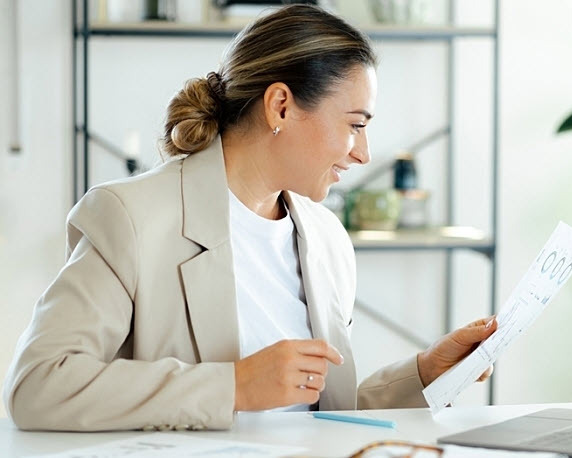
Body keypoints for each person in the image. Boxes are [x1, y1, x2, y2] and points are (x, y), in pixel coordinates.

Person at [3, 5, 496, 432]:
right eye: (355, 126)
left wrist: (425, 373)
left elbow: (316, 417)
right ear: (280, 105)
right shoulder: (132, 217)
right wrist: (233, 386)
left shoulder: (326, 239)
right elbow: (38, 384)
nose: (364, 153)